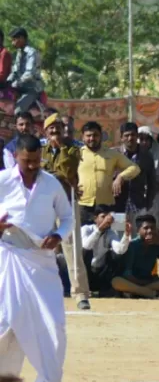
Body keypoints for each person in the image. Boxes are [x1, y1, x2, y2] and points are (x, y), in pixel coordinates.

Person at [0, 134, 73, 382]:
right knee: (7, 324)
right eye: (26, 161)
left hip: (42, 262)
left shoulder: (51, 183)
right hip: (8, 258)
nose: (32, 166)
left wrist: (58, 234)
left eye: (36, 161)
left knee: (53, 326)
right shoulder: (3, 181)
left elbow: (67, 217)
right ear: (16, 157)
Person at [40, 113, 89, 310]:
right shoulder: (40, 150)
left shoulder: (73, 149)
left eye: (58, 128)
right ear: (45, 131)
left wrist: (61, 148)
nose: (55, 132)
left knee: (72, 248)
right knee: (43, 248)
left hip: (66, 203)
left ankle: (80, 294)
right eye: (51, 128)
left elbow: (68, 171)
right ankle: (43, 292)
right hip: (43, 205)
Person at [77, 121, 141, 224]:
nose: (92, 138)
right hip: (83, 205)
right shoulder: (76, 154)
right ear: (83, 137)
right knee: (85, 238)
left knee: (107, 238)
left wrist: (121, 177)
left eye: (95, 135)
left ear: (101, 136)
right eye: (88, 136)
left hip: (105, 205)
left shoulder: (112, 154)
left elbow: (135, 168)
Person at [110, 214, 159, 298]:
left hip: (149, 282)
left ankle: (140, 292)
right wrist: (144, 283)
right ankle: (156, 293)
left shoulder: (158, 244)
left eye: (152, 228)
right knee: (116, 281)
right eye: (146, 228)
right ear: (138, 230)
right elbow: (127, 274)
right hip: (133, 282)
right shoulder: (132, 245)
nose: (150, 231)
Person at [80, 206, 132, 295]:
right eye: (103, 217)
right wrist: (100, 229)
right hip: (85, 270)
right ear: (95, 218)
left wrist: (126, 235)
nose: (107, 220)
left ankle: (107, 288)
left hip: (101, 271)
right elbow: (86, 246)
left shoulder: (111, 232)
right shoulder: (86, 229)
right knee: (85, 252)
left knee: (114, 255)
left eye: (109, 217)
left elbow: (119, 250)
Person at [115, 121, 158, 222]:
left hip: (138, 205)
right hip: (117, 206)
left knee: (139, 235)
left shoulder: (146, 156)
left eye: (133, 135)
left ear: (137, 136)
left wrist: (148, 205)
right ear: (121, 137)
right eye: (126, 135)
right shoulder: (114, 154)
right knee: (118, 236)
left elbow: (152, 183)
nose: (130, 138)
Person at [6, 27, 44, 114]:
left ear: (22, 38)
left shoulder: (32, 53)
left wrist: (15, 84)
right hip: (20, 87)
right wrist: (7, 82)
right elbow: (15, 71)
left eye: (14, 40)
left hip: (32, 88)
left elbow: (29, 74)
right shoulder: (20, 52)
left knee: (17, 111)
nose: (12, 43)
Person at [139, 126, 159, 226]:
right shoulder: (131, 157)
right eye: (141, 139)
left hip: (157, 198)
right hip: (139, 199)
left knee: (156, 227)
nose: (144, 142)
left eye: (147, 139)